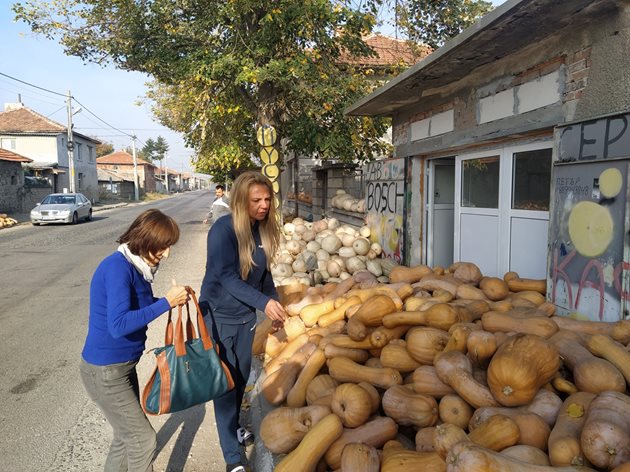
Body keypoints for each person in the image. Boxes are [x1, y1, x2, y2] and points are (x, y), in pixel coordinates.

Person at [79, 209, 190, 472]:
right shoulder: (118, 268)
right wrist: (165, 303)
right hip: (106, 372)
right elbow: (118, 325)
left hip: (121, 367)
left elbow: (136, 306)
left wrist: (172, 300)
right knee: (143, 440)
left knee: (125, 436)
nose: (167, 253)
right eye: (163, 246)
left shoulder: (136, 266)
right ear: (145, 240)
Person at [200, 171, 286, 472]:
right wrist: (264, 303)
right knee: (225, 385)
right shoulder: (223, 230)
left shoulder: (262, 230)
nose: (264, 205)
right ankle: (232, 459)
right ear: (240, 201)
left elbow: (264, 277)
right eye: (256, 200)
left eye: (267, 199)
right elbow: (226, 276)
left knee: (241, 379)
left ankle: (234, 426)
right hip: (219, 316)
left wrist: (275, 304)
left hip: (245, 318)